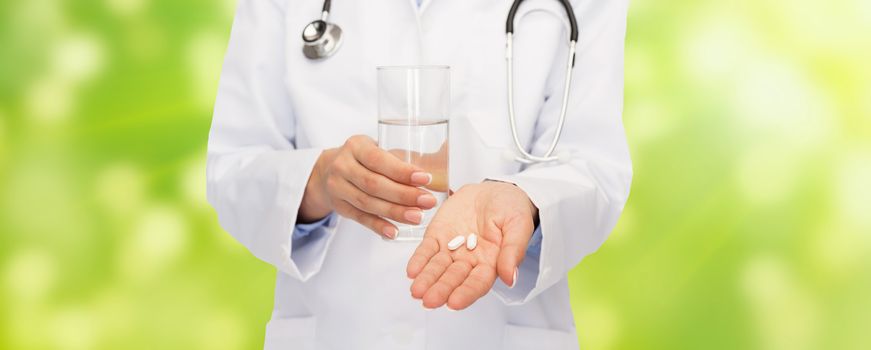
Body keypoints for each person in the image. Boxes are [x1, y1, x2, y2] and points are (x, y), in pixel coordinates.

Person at [206, 0, 631, 349]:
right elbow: (233, 167)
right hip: (338, 333)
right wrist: (316, 182)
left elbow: (595, 166)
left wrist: (523, 199)